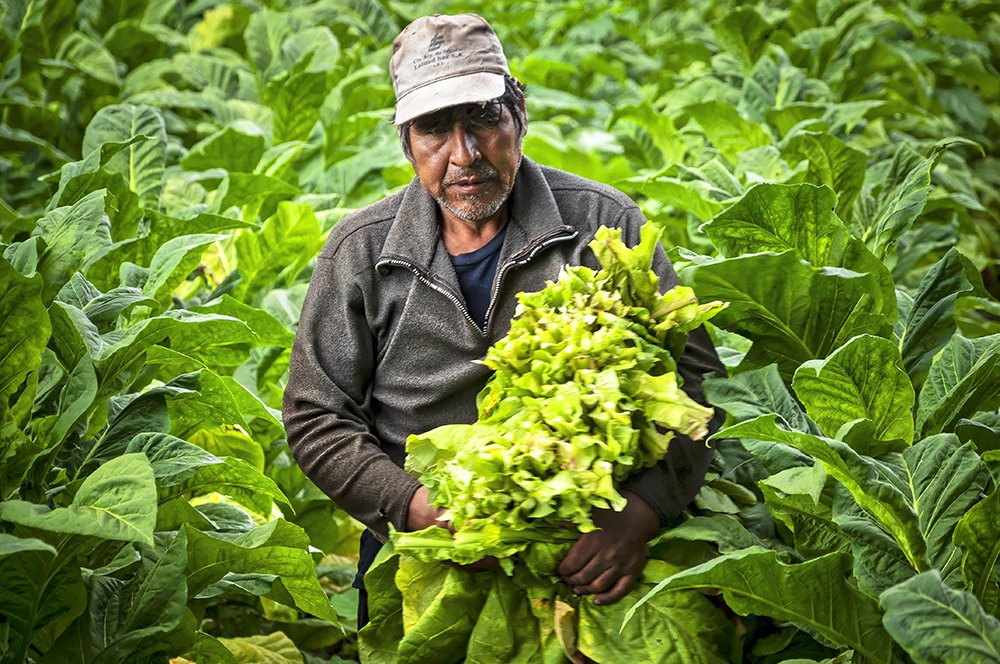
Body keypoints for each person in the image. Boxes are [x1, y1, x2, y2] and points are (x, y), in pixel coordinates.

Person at [282, 13, 725, 628]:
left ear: (519, 114)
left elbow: (698, 385)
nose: (462, 155)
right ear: (407, 142)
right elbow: (315, 415)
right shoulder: (360, 252)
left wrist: (643, 512)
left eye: (483, 119)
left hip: (596, 552)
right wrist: (413, 507)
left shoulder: (603, 224)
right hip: (424, 554)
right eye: (434, 130)